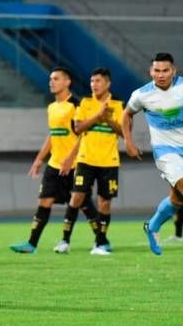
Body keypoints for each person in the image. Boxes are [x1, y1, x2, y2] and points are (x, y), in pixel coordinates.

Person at [9, 67, 100, 254]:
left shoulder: (76, 106)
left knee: (83, 204)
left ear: (67, 82)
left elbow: (85, 135)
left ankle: (101, 240)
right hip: (54, 164)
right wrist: (39, 160)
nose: (51, 82)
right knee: (44, 201)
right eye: (51, 79)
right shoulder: (52, 107)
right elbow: (53, 135)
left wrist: (70, 158)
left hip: (75, 165)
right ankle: (31, 244)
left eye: (56, 79)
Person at [123, 53, 183, 255]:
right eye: (157, 70)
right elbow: (126, 114)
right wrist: (128, 142)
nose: (161, 75)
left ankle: (153, 225)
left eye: (165, 70)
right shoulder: (142, 95)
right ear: (150, 72)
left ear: (173, 71)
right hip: (166, 151)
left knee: (178, 200)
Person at [67, 68, 123, 255]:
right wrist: (98, 117)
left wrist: (109, 120)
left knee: (104, 202)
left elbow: (125, 132)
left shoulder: (118, 105)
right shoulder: (85, 103)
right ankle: (65, 240)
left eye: (98, 81)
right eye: (92, 81)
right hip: (86, 159)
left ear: (108, 84)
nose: (94, 84)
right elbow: (77, 128)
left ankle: (99, 243)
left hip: (109, 161)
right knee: (77, 196)